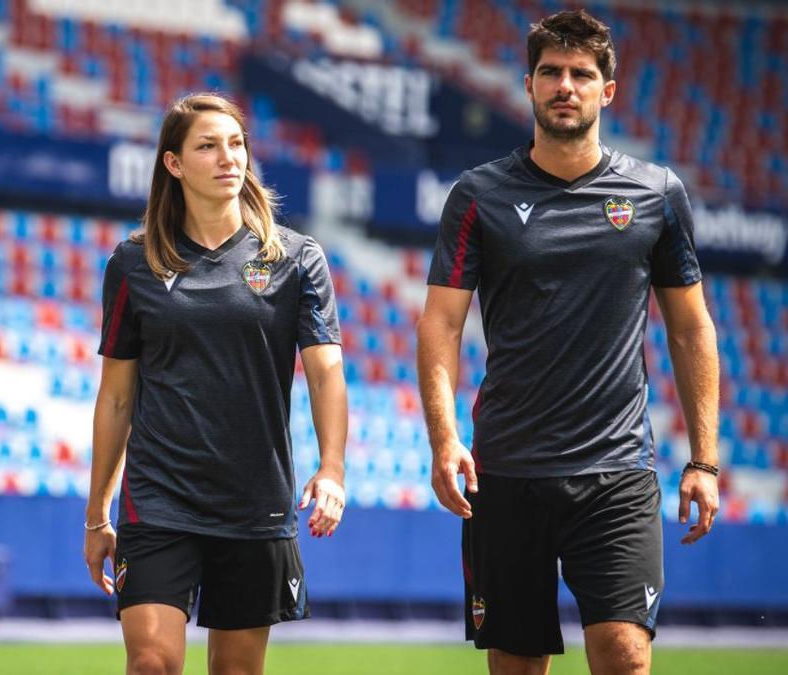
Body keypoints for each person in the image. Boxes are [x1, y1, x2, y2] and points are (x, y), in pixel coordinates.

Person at [417, 10, 720, 675]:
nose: (565, 86)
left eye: (582, 74)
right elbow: (438, 324)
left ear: (607, 90)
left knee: (624, 655)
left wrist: (704, 458)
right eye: (551, 72)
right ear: (528, 85)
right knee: (517, 665)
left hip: (617, 472)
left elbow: (692, 325)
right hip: (508, 471)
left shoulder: (656, 194)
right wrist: (444, 439)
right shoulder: (478, 195)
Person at [83, 93, 348, 675]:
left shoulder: (296, 257)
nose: (229, 157)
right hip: (158, 498)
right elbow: (117, 395)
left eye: (236, 144)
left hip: (254, 501)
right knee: (152, 662)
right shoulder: (133, 263)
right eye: (208, 145)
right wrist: (97, 513)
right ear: (174, 164)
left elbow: (326, 371)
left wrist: (332, 467)